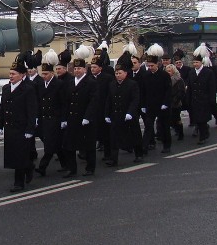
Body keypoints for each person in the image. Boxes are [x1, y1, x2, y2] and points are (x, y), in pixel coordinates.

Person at [0, 54, 38, 192]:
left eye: (13, 74)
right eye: (10, 73)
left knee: (19, 155)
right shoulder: (6, 88)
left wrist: (30, 129)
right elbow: (2, 107)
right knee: (13, 154)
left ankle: (18, 183)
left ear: (22, 75)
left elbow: (32, 111)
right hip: (10, 128)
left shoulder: (28, 89)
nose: (11, 76)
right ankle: (29, 166)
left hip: (21, 127)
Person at [63, 46, 100, 176]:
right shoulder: (70, 82)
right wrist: (64, 118)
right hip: (72, 118)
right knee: (70, 145)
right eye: (75, 68)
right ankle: (71, 169)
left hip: (85, 119)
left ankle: (90, 168)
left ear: (85, 69)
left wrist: (87, 117)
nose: (77, 70)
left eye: (79, 68)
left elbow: (94, 101)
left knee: (88, 145)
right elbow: (66, 101)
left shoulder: (91, 82)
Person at [103, 51, 140, 167]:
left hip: (128, 115)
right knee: (114, 137)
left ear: (125, 73)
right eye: (116, 73)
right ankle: (114, 159)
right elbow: (109, 100)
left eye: (120, 73)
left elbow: (135, 100)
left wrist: (130, 113)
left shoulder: (132, 84)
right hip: (116, 114)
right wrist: (107, 114)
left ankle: (139, 154)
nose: (117, 75)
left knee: (134, 135)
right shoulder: (112, 84)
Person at [35, 49, 68, 177]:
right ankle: (65, 164)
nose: (44, 76)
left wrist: (64, 119)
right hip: (44, 118)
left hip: (55, 118)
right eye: (42, 74)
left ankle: (42, 167)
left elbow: (64, 103)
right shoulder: (41, 85)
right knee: (56, 145)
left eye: (46, 73)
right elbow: (39, 102)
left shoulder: (59, 84)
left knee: (50, 145)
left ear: (52, 73)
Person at [140, 44, 171, 154]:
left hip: (162, 105)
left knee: (164, 126)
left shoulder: (164, 75)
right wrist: (143, 105)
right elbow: (142, 91)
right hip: (150, 105)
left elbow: (168, 90)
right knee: (148, 127)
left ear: (157, 64)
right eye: (148, 65)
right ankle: (144, 147)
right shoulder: (145, 75)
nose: (150, 67)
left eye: (152, 65)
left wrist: (166, 103)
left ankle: (166, 145)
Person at [187, 45, 217, 145]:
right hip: (195, 99)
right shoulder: (191, 73)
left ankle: (203, 136)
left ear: (201, 63)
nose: (195, 64)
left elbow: (211, 87)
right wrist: (188, 98)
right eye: (194, 62)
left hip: (204, 99)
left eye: (197, 62)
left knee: (202, 119)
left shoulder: (208, 72)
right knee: (197, 119)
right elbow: (190, 87)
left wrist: (212, 99)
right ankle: (204, 132)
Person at [164, 64, 186, 141]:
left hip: (176, 103)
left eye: (169, 71)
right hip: (167, 103)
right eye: (167, 71)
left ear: (173, 71)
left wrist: (175, 100)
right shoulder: (165, 79)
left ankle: (180, 133)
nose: (168, 73)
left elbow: (181, 92)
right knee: (168, 120)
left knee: (176, 119)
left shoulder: (179, 80)